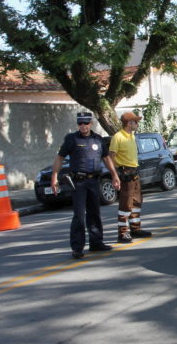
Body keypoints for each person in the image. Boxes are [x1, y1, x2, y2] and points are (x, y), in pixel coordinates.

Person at [51, 112, 121, 259]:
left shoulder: (98, 139)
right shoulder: (72, 139)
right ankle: (77, 248)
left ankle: (96, 242)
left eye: (85, 123)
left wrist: (114, 175)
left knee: (94, 213)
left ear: (91, 123)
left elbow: (107, 158)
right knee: (79, 216)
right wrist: (54, 178)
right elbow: (59, 158)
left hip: (94, 181)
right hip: (79, 183)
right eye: (80, 123)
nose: (83, 126)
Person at [109, 111, 152, 243]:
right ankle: (122, 233)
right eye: (135, 122)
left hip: (134, 173)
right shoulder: (118, 137)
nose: (137, 124)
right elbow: (111, 157)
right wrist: (116, 174)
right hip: (126, 173)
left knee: (136, 202)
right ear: (128, 123)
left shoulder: (131, 136)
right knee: (126, 204)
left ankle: (135, 229)